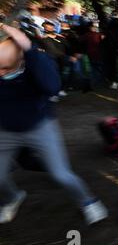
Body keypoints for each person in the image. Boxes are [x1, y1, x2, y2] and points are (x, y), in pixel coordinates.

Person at [0, 23, 108, 225]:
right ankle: (12, 197)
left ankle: (88, 201)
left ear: (21, 61)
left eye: (6, 67)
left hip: (40, 127)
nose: (1, 72)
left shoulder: (35, 65)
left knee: (61, 174)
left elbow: (52, 86)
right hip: (6, 130)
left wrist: (30, 51)